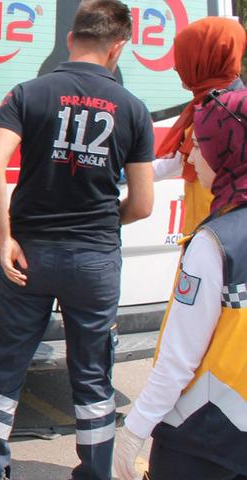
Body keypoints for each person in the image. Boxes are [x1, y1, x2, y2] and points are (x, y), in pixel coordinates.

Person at [0, 1, 155, 479]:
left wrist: (5, 238)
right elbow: (142, 204)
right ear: (118, 48)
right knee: (93, 381)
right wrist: (102, 222)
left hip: (28, 255)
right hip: (94, 260)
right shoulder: (135, 110)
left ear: (70, 39)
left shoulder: (27, 94)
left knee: (5, 373)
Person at [113, 89, 247, 480]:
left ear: (228, 150)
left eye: (200, 145)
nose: (190, 157)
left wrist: (135, 430)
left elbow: (178, 360)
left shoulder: (215, 243)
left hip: (202, 436)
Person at [151, 17, 245, 235]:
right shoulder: (223, 104)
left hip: (219, 235)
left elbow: (178, 162)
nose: (176, 67)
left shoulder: (221, 112)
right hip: (207, 230)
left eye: (185, 58)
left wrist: (128, 172)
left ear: (206, 59)